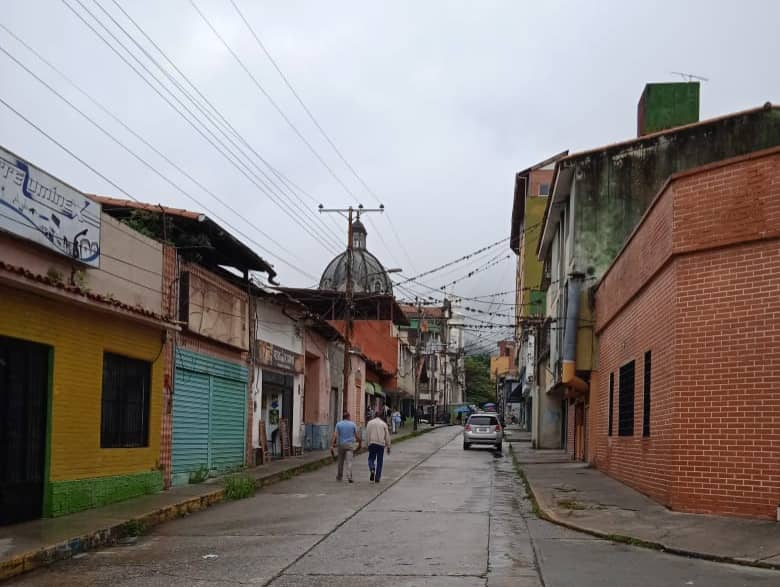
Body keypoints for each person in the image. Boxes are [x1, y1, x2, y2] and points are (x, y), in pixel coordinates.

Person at [330, 411, 362, 483]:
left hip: (341, 445)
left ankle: (339, 476)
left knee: (340, 462)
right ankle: (349, 477)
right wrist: (360, 443)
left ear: (343, 417)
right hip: (350, 445)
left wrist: (331, 445)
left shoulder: (339, 424)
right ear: (349, 417)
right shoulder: (353, 424)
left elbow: (335, 435)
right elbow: (357, 436)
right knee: (349, 462)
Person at [366, 412, 391, 483]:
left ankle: (372, 468)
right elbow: (387, 436)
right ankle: (377, 478)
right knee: (380, 461)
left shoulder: (369, 423)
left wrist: (367, 444)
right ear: (381, 417)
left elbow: (367, 434)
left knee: (371, 458)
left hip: (372, 443)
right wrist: (388, 446)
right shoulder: (383, 424)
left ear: (374, 416)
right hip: (381, 444)